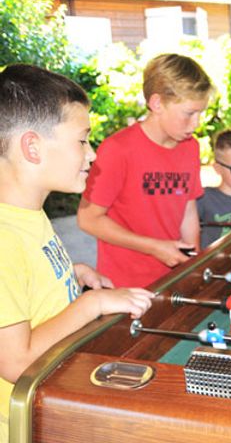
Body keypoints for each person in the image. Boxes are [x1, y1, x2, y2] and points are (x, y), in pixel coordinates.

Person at [0, 64, 155, 443]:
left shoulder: (25, 214)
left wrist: (71, 271)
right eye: (82, 141)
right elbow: (16, 362)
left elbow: (24, 282)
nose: (93, 154)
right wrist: (93, 304)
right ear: (32, 147)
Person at [77, 54, 214, 288]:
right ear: (157, 103)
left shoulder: (190, 147)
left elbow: (188, 210)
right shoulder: (117, 150)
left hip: (173, 279)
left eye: (200, 113)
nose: (196, 123)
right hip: (124, 286)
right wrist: (154, 247)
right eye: (189, 113)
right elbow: (88, 219)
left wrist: (193, 264)